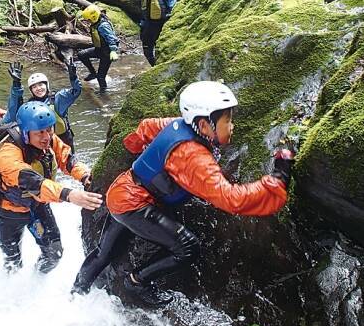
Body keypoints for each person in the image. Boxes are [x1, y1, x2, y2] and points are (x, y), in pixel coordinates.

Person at [71, 81, 293, 307]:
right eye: (227, 120)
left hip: (121, 192)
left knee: (104, 252)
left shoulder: (175, 124)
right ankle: (136, 282)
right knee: (188, 247)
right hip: (134, 204)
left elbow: (146, 127)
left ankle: (76, 292)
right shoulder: (192, 157)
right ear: (205, 125)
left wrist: (134, 147)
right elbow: (231, 199)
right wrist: (276, 181)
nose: (232, 126)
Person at [0, 101, 103, 272]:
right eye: (40, 132)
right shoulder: (7, 154)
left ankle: (37, 279)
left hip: (37, 208)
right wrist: (69, 195)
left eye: (49, 129)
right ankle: (13, 285)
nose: (46, 137)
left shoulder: (48, 139)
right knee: (12, 261)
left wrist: (85, 176)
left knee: (54, 253)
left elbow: (67, 159)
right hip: (9, 214)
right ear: (26, 134)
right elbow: (33, 183)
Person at [12, 59, 81, 151]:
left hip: (63, 140)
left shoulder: (58, 99)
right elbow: (15, 114)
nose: (38, 88)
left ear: (46, 85)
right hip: (42, 142)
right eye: (34, 87)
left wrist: (73, 77)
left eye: (41, 85)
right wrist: (16, 85)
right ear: (31, 90)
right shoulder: (29, 106)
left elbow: (76, 91)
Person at [138, 0, 176, 66]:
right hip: (149, 25)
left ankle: (162, 65)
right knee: (146, 49)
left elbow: (174, 8)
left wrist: (169, 20)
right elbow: (144, 10)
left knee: (160, 48)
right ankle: (154, 65)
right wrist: (142, 24)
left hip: (161, 24)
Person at [77, 4, 119, 91]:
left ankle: (103, 93)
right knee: (81, 54)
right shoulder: (96, 23)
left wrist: (113, 50)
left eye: (88, 20)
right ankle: (93, 73)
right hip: (99, 50)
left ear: (93, 17)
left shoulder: (103, 26)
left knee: (101, 77)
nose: (87, 22)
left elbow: (111, 38)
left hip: (107, 53)